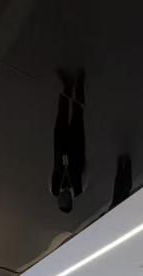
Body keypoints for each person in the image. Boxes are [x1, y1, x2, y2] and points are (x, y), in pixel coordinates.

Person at [50, 70, 85, 213]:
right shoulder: (78, 188)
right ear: (70, 201)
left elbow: (53, 169)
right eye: (64, 200)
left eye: (60, 200)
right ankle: (79, 86)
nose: (61, 197)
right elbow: (85, 169)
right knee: (77, 114)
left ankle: (67, 87)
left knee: (62, 115)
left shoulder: (54, 188)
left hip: (60, 147)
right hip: (76, 147)